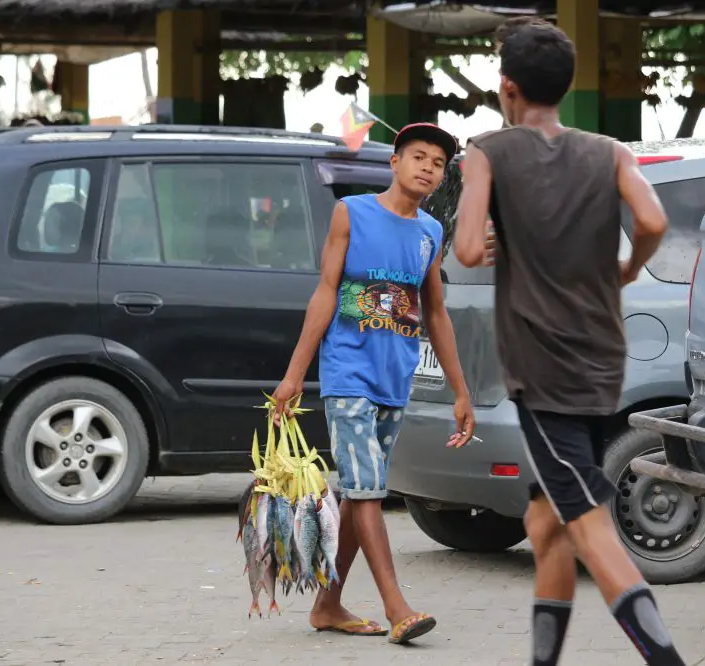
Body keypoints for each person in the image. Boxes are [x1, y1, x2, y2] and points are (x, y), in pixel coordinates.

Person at [453, 17, 683, 666]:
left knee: (583, 520)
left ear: (506, 87)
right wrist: (629, 268)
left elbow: (468, 248)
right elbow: (652, 219)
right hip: (601, 359)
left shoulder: (486, 152)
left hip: (540, 364)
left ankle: (666, 659)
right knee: (544, 520)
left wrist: (492, 243)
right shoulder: (609, 151)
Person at [271, 122, 475, 644]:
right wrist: (296, 373)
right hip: (347, 374)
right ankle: (397, 608)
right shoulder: (352, 213)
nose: (428, 168)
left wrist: (460, 391)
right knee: (366, 492)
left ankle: (328, 604)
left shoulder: (431, 231)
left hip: (394, 380)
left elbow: (436, 314)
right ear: (395, 162)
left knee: (356, 495)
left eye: (437, 163)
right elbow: (325, 293)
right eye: (419, 157)